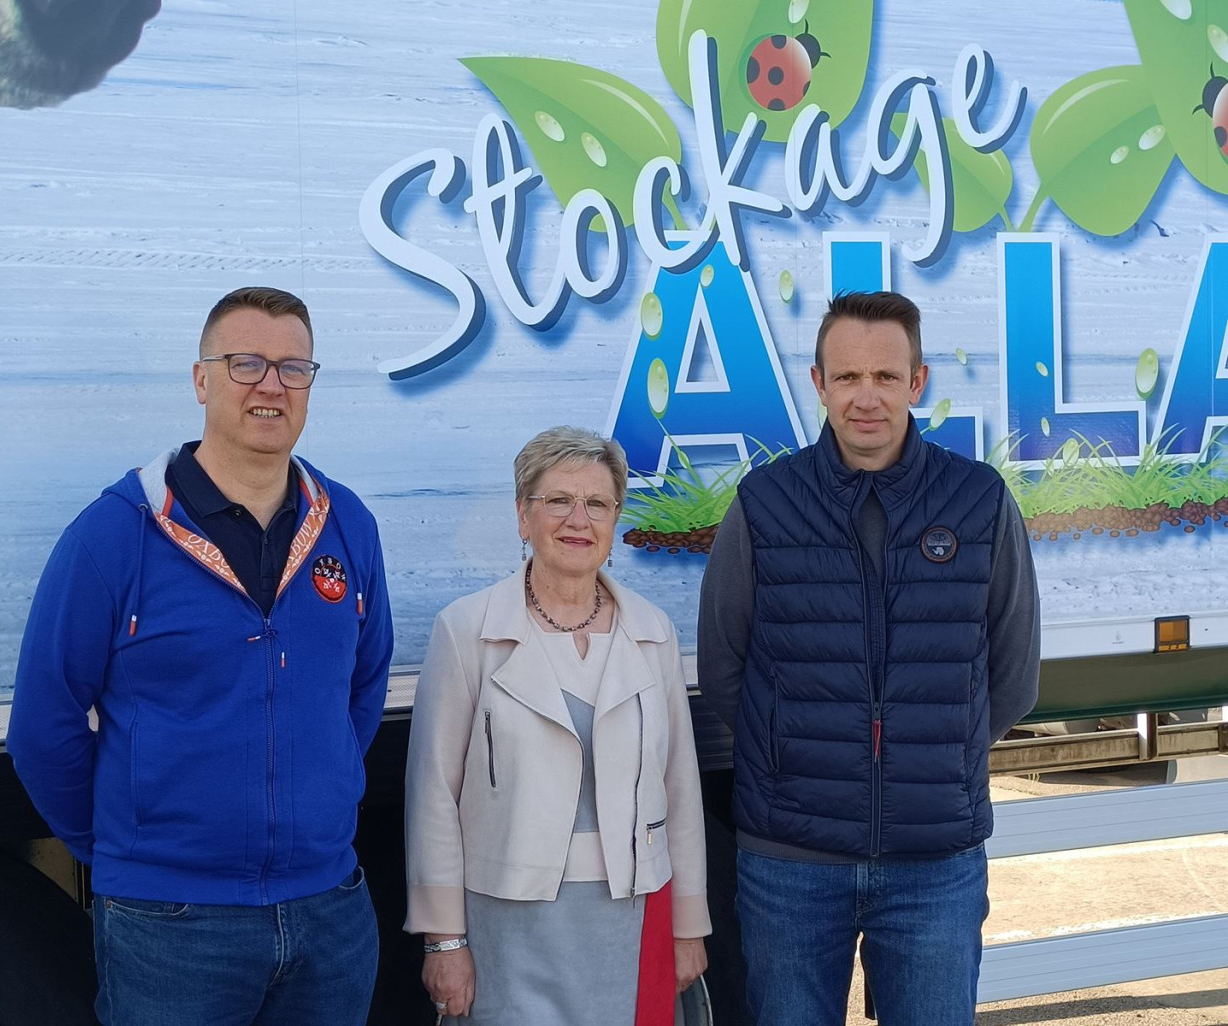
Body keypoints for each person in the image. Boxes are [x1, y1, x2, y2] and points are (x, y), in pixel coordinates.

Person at [7, 286, 394, 1026]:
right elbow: (43, 721)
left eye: (293, 367)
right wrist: (132, 850)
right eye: (245, 363)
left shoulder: (347, 524)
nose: (270, 385)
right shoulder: (115, 534)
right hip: (171, 923)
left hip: (329, 910)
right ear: (201, 380)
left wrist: (324, 795)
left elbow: (361, 685)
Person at [698, 291, 1040, 1026]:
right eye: (846, 378)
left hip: (934, 865)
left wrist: (935, 756)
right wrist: (786, 755)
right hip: (788, 859)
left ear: (917, 383)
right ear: (817, 384)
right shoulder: (765, 503)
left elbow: (1012, 670)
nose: (865, 398)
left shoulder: (978, 500)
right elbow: (725, 663)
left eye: (884, 377)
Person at [404, 426, 711, 1025]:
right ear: (523, 515)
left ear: (616, 518)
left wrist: (689, 927)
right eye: (557, 501)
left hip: (635, 915)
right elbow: (433, 797)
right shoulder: (466, 630)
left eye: (597, 503)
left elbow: (681, 792)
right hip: (509, 922)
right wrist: (444, 941)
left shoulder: (654, 632)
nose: (579, 519)